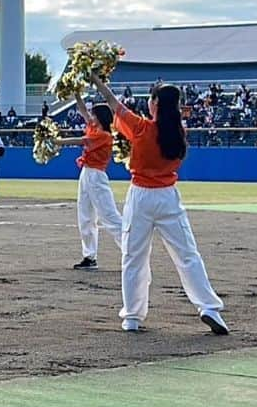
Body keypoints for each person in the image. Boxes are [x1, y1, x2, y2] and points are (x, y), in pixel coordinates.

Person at [90, 76, 227, 335]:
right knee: (187, 254)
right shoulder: (177, 131)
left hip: (141, 196)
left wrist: (97, 79)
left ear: (154, 103)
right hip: (168, 196)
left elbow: (113, 103)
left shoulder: (141, 127)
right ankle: (209, 308)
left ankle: (132, 316)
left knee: (133, 256)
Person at [51, 94, 122, 270]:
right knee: (85, 217)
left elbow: (83, 141)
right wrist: (76, 93)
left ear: (101, 117)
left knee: (109, 216)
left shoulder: (104, 135)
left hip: (97, 176)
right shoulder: (94, 127)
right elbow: (83, 110)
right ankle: (89, 257)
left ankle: (132, 251)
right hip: (87, 173)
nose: (91, 116)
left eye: (94, 114)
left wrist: (58, 141)